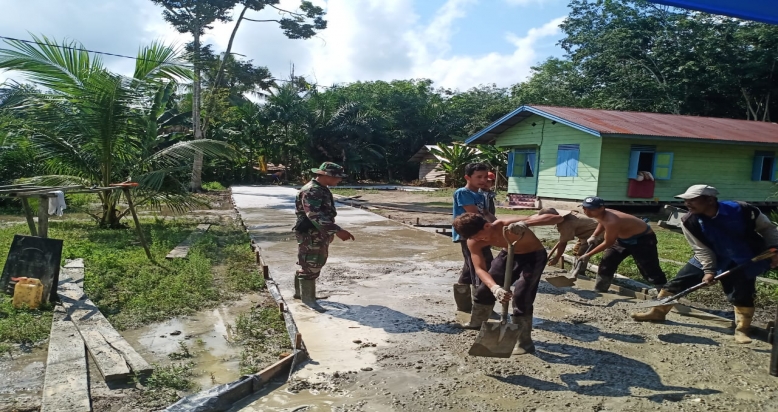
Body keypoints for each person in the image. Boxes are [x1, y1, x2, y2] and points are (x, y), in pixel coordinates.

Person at [631, 185, 778, 344]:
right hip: (710, 255)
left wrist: (775, 249)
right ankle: (657, 312)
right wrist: (709, 270)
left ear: (710, 200)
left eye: (692, 200)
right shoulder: (689, 220)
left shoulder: (742, 210)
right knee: (677, 283)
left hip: (743, 256)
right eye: (686, 201)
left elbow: (768, 229)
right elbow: (700, 248)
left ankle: (742, 330)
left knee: (742, 294)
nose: (687, 204)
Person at [453, 212, 547, 355]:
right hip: (508, 253)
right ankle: (476, 322)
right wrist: (495, 288)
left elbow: (555, 217)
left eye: (479, 235)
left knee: (522, 295)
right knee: (484, 290)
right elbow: (479, 269)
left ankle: (525, 343)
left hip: (534, 256)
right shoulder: (474, 241)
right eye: (473, 237)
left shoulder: (505, 226)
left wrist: (526, 223)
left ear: (487, 225)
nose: (479, 239)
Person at [292, 162, 355, 312]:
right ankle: (308, 300)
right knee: (311, 264)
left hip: (318, 232)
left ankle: (302, 294)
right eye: (337, 177)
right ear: (326, 176)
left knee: (312, 263)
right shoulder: (312, 190)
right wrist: (337, 231)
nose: (339, 180)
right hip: (311, 233)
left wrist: (328, 233)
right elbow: (314, 215)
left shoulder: (322, 189)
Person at [579, 196, 667, 292]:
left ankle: (664, 291)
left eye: (591, 209)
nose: (586, 211)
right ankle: (600, 289)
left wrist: (588, 254)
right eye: (584, 208)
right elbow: (602, 222)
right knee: (607, 262)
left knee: (648, 267)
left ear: (601, 208)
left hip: (643, 239)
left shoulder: (612, 220)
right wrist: (594, 235)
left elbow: (608, 242)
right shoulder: (601, 214)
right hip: (622, 239)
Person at [452, 163, 497, 315]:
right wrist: (489, 222)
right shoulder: (462, 193)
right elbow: (475, 215)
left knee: (469, 268)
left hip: (481, 235)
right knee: (483, 266)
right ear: (467, 177)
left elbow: (487, 214)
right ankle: (481, 305)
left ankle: (463, 305)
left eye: (485, 177)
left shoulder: (481, 195)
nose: (483, 180)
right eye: (478, 177)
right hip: (469, 235)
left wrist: (497, 226)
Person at [524, 208, 600, 268]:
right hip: (584, 233)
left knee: (581, 254)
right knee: (576, 251)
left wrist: (556, 258)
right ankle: (576, 268)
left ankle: (580, 273)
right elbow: (563, 239)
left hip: (597, 234)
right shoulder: (563, 218)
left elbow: (563, 243)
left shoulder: (566, 224)